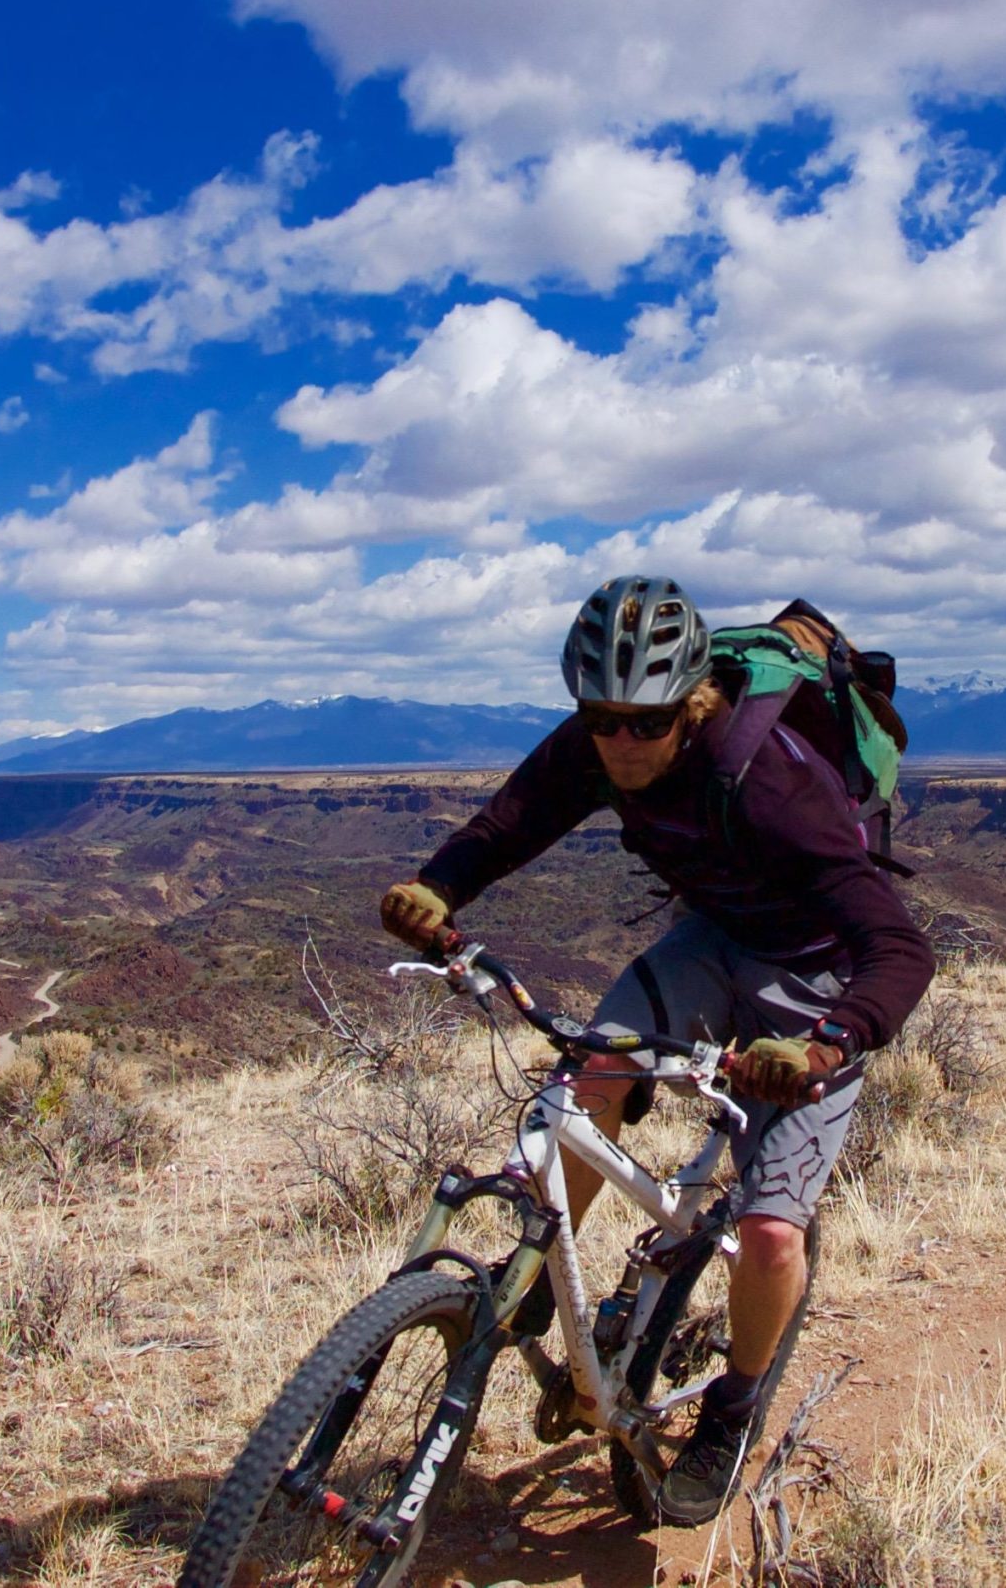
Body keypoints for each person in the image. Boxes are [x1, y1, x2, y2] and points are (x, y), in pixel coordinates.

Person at [378, 573, 935, 1526]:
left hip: (814, 976)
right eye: (603, 719)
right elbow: (513, 820)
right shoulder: (595, 745)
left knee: (767, 1228)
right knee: (588, 1078)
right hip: (710, 938)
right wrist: (440, 889)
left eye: (648, 721)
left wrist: (826, 1046)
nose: (623, 741)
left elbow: (899, 947)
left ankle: (731, 1410)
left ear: (694, 702)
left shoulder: (772, 784)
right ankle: (537, 1278)